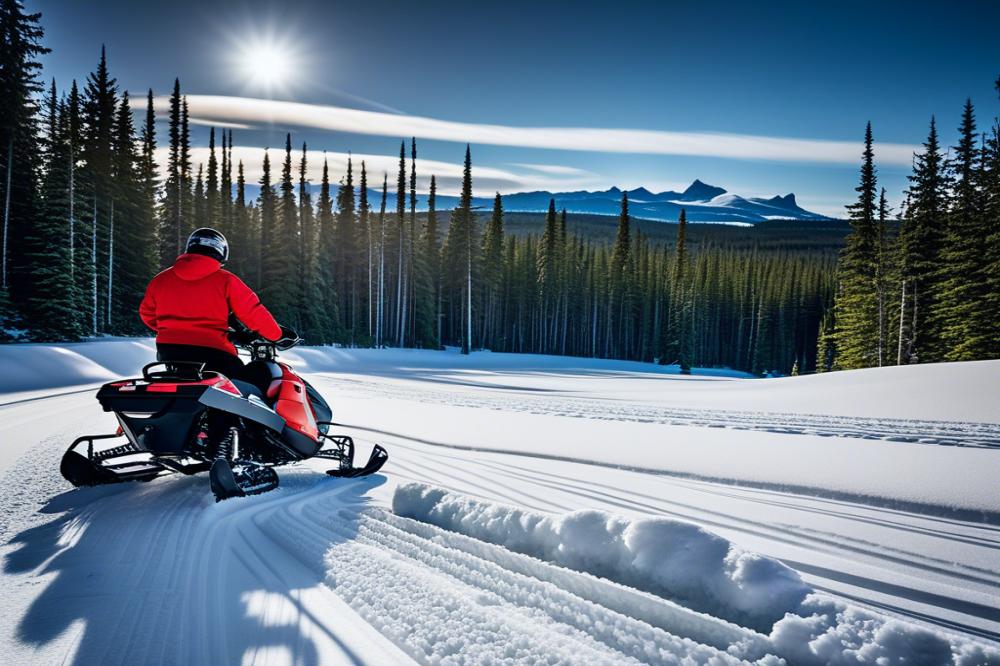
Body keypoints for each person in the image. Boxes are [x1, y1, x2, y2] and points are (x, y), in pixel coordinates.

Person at [139, 227, 285, 396]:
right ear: (220, 252)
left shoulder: (161, 280)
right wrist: (277, 335)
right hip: (213, 353)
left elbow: (147, 314)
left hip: (169, 351)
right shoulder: (226, 280)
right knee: (254, 384)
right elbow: (252, 312)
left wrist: (173, 329)